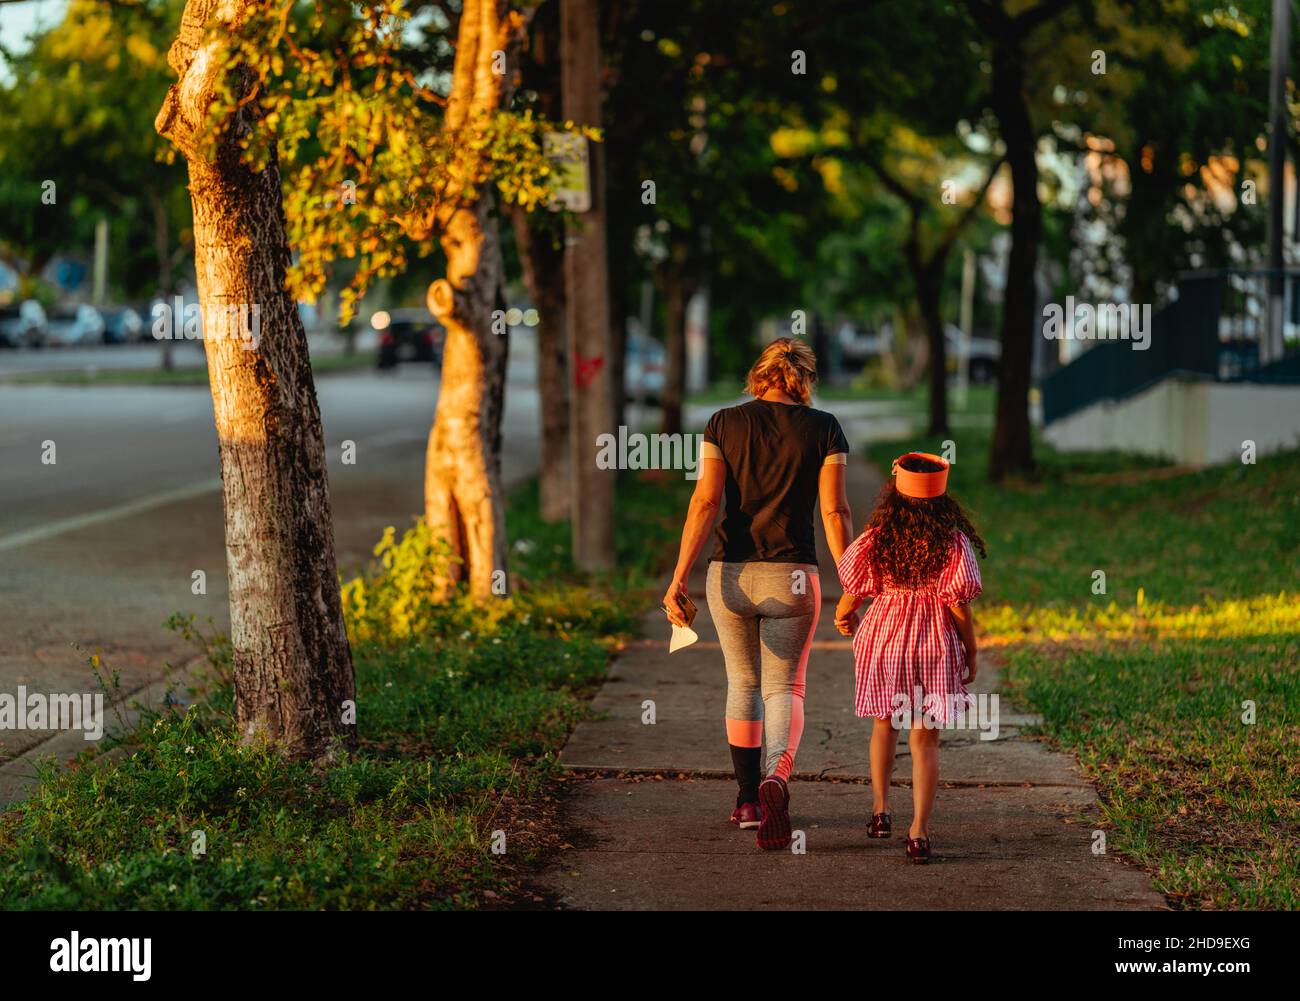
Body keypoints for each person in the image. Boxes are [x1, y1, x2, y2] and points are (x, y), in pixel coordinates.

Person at [663, 338, 853, 850]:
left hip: (729, 575)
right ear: (803, 379)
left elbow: (705, 501)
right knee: (784, 688)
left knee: (743, 684)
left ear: (759, 374)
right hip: (792, 575)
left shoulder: (723, 423)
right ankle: (777, 778)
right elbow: (834, 513)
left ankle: (747, 799)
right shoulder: (824, 429)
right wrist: (853, 582)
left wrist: (679, 577)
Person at [833, 451, 985, 864]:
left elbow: (856, 587)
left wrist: (844, 613)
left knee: (884, 726)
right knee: (924, 739)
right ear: (942, 498)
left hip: (884, 640)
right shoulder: (952, 541)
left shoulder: (879, 535)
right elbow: (958, 605)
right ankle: (918, 832)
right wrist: (970, 649)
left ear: (894, 491)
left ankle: (880, 812)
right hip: (934, 642)